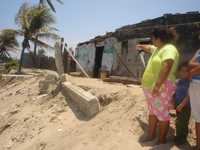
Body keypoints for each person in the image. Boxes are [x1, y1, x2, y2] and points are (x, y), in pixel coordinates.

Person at [137, 28, 179, 144]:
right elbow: (149, 48)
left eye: (153, 39)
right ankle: (151, 135)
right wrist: (140, 46)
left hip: (161, 88)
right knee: (153, 111)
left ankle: (161, 140)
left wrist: (157, 86)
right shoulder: (158, 49)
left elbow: (167, 65)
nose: (152, 41)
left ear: (158, 38)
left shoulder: (169, 49)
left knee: (161, 112)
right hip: (151, 88)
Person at [173, 62, 191, 145]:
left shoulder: (190, 83)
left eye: (186, 71)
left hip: (185, 106)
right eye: (182, 71)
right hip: (178, 104)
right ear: (179, 71)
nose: (184, 73)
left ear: (190, 72)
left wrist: (182, 104)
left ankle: (182, 139)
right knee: (178, 121)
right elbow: (174, 93)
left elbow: (189, 95)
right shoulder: (177, 81)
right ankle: (179, 136)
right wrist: (173, 102)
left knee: (182, 122)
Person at [189, 47, 200, 150]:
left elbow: (191, 66)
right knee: (198, 117)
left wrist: (191, 72)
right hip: (195, 85)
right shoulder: (198, 50)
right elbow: (189, 63)